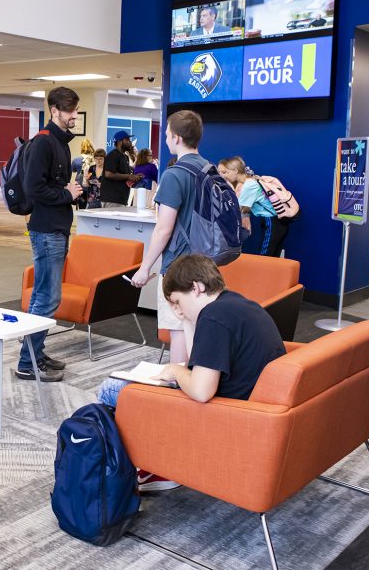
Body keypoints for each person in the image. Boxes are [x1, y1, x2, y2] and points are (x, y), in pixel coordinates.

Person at [97, 253, 285, 491]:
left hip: (225, 415)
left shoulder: (214, 318)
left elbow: (201, 391)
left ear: (196, 288)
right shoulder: (237, 305)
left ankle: (144, 468)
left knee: (111, 389)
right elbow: (198, 361)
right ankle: (159, 460)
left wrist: (176, 371)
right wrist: (186, 320)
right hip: (250, 409)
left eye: (176, 301)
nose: (176, 309)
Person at [130, 109, 211, 364]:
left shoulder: (175, 174)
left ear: (177, 137)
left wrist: (144, 268)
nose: (165, 140)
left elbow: (164, 228)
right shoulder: (209, 170)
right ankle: (198, 378)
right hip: (206, 263)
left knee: (178, 330)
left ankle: (178, 381)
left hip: (179, 265)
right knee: (196, 328)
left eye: (166, 135)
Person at [15, 87, 83, 383]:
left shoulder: (61, 142)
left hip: (56, 227)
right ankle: (26, 363)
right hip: (46, 230)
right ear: (54, 110)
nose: (75, 115)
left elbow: (52, 185)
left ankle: (35, 353)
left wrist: (71, 192)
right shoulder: (43, 143)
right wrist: (66, 194)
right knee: (48, 297)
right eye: (70, 110)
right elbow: (34, 188)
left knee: (43, 295)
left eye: (75, 109)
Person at [219, 156, 292, 258]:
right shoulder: (252, 180)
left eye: (225, 172)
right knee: (273, 256)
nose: (223, 176)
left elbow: (238, 209)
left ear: (235, 170)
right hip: (276, 221)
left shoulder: (249, 185)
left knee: (265, 257)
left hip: (271, 222)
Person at [100, 130, 141, 206]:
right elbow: (108, 174)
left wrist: (134, 177)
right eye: (127, 140)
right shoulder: (113, 155)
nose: (130, 142)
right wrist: (128, 176)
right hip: (112, 199)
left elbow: (123, 175)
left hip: (121, 199)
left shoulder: (125, 157)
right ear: (120, 142)